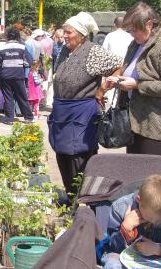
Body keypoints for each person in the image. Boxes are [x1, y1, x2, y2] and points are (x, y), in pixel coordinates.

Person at [48, 12, 122, 195]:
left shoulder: (92, 51)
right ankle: (70, 195)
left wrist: (102, 90)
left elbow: (119, 65)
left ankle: (83, 200)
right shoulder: (65, 50)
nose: (64, 35)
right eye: (64, 32)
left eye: (68, 32)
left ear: (81, 35)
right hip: (62, 112)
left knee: (79, 156)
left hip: (81, 112)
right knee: (62, 153)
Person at [106, 2, 161, 159]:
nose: (131, 33)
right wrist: (119, 80)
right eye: (129, 30)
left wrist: (137, 85)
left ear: (149, 24)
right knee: (135, 176)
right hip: (134, 124)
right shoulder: (135, 44)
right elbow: (131, 72)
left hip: (156, 128)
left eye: (134, 29)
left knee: (153, 179)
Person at [103, 175, 161, 269]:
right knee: (113, 264)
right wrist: (125, 229)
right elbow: (110, 247)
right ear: (139, 200)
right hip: (120, 256)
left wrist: (159, 249)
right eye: (151, 218)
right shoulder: (120, 208)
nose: (155, 223)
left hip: (155, 261)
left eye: (160, 221)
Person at [0, 28, 34, 125]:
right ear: (17, 36)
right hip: (18, 75)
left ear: (8, 36)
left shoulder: (2, 48)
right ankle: (28, 117)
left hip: (5, 76)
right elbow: (28, 62)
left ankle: (9, 119)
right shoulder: (22, 47)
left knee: (8, 97)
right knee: (22, 96)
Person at [102, 16, 133, 107]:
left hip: (112, 70)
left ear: (114, 25)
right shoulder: (130, 36)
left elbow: (104, 53)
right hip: (125, 69)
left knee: (111, 95)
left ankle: (111, 112)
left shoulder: (109, 36)